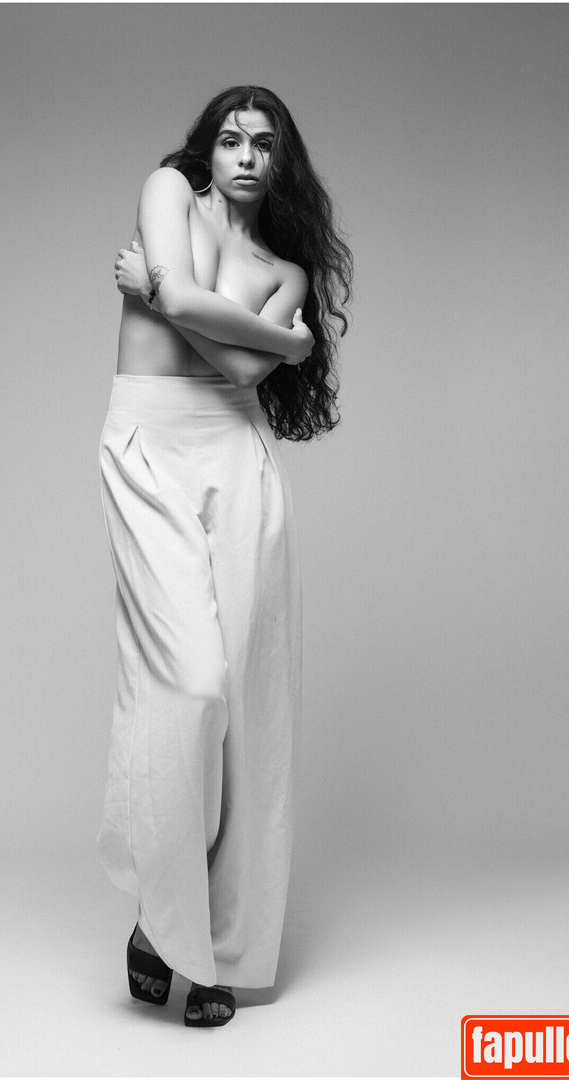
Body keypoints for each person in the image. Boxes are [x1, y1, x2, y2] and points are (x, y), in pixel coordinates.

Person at [97, 85, 353, 1028]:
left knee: (249, 706)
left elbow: (238, 367)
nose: (246, 155)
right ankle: (163, 923)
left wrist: (178, 299)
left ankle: (214, 949)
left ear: (281, 163)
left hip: (239, 457)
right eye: (232, 139)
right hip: (147, 445)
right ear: (206, 149)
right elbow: (209, 316)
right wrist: (278, 336)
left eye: (264, 143)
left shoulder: (285, 268)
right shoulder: (166, 189)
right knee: (190, 682)